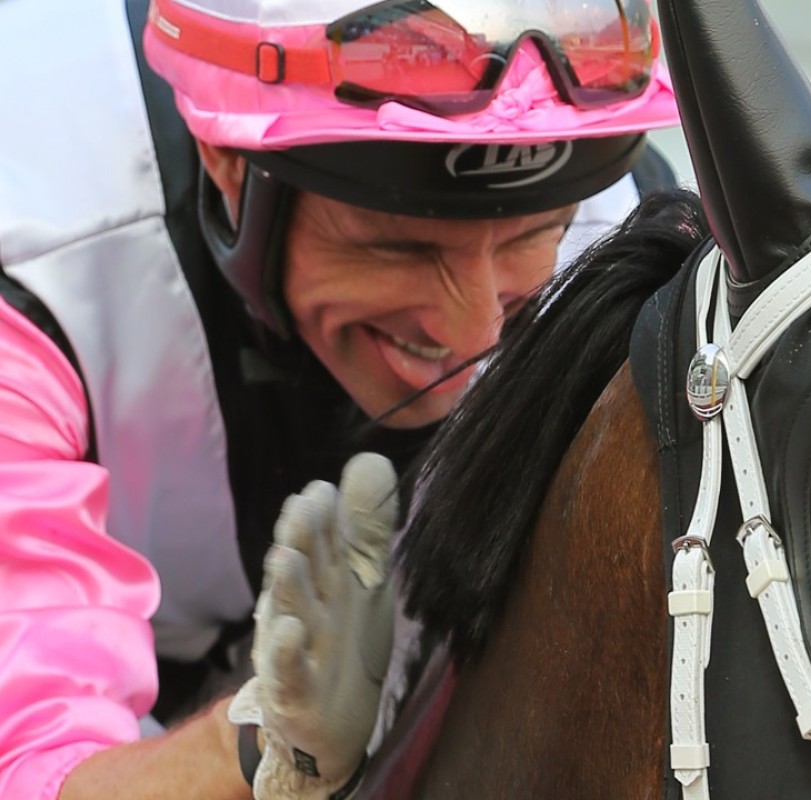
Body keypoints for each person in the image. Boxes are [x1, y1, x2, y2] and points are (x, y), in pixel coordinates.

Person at [0, 0, 679, 797]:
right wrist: (264, 742)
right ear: (225, 159)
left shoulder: (623, 231)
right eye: (401, 245)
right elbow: (33, 766)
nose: (469, 336)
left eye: (536, 233)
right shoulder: (38, 255)